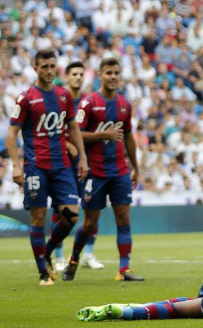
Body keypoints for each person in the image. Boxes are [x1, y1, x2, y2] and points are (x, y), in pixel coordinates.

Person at [6, 49, 89, 285]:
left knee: (71, 215)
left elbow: (73, 128)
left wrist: (82, 157)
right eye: (44, 67)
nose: (49, 71)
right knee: (38, 217)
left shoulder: (63, 96)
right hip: (36, 167)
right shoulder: (25, 98)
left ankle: (48, 250)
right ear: (35, 69)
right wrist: (16, 166)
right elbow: (11, 135)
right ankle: (44, 272)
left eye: (52, 66)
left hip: (62, 166)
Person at [63, 57, 143, 282]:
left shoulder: (124, 105)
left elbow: (128, 138)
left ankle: (124, 269)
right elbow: (74, 134)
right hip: (94, 172)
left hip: (119, 171)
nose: (113, 77)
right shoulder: (89, 103)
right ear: (100, 75)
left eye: (116, 72)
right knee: (89, 223)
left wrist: (136, 168)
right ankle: (74, 260)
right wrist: (103, 135)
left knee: (124, 218)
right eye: (108, 72)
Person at [53, 61, 104, 273]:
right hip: (61, 163)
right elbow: (50, 131)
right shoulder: (57, 100)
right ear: (66, 76)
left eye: (81, 74)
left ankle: (88, 254)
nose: (78, 77)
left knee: (92, 210)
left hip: (86, 162)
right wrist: (67, 145)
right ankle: (58, 256)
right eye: (74, 74)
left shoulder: (88, 101)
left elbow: (90, 131)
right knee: (62, 211)